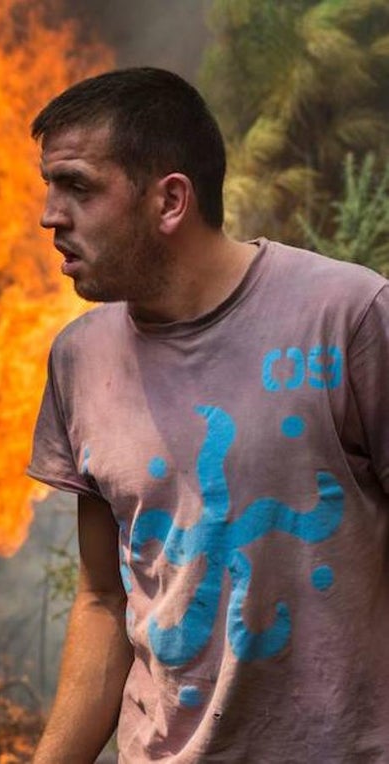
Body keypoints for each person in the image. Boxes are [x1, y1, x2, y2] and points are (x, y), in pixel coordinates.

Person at [26, 67, 389, 761]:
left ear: (170, 200)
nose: (49, 215)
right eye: (48, 186)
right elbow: (103, 598)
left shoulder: (349, 317)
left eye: (77, 186)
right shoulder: (78, 359)